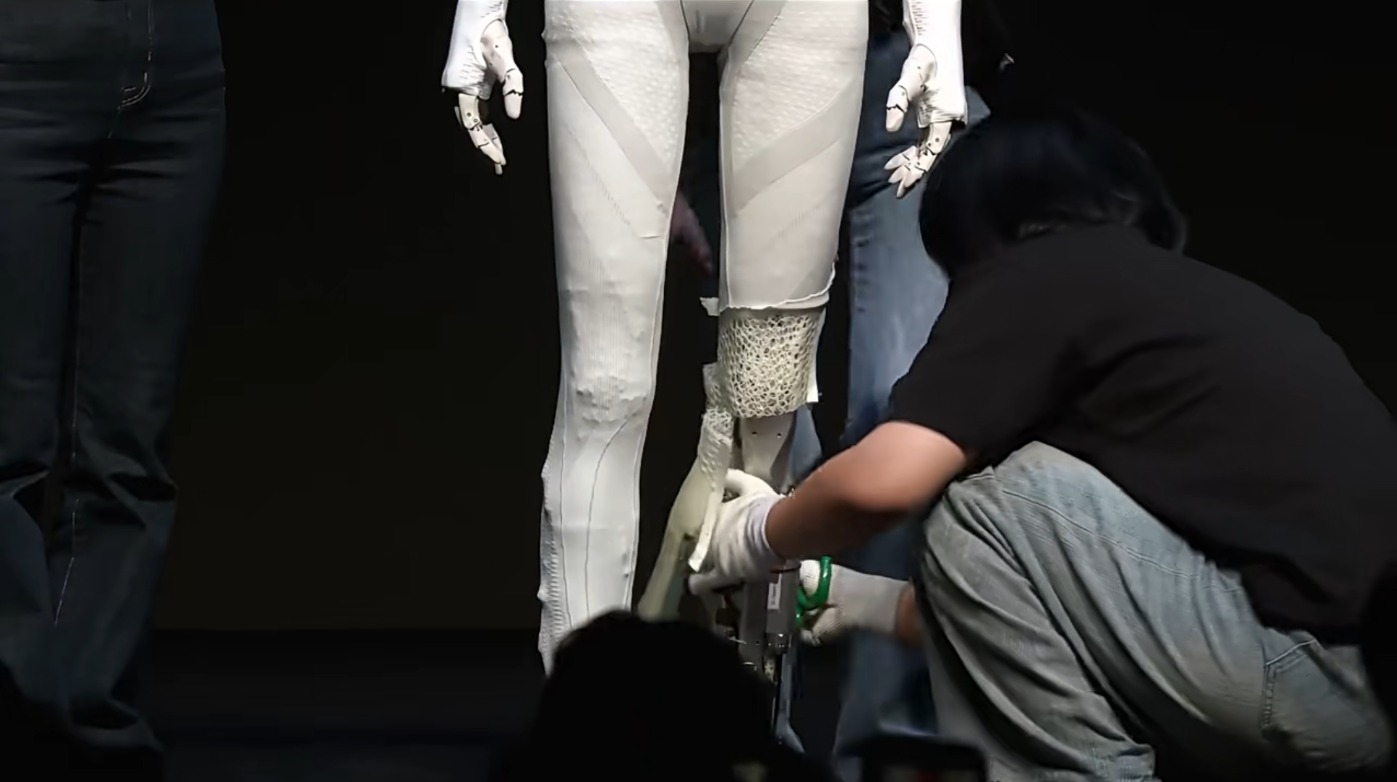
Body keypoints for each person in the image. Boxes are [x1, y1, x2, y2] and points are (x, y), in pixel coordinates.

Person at [689, 106, 1396, 781]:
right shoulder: (1182, 312)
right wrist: (859, 599)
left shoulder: (1048, 271)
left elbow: (885, 484)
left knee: (980, 502)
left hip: (1308, 671)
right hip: (1362, 686)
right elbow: (1064, 618)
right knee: (1005, 511)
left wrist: (759, 533)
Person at [673, 4, 1013, 774]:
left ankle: (887, 747)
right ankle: (757, 736)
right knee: (763, 432)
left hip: (895, 76)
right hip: (743, 88)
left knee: (905, 416)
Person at [0, 0, 226, 774]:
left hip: (178, 63)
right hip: (18, 61)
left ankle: (92, 733)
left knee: (129, 451)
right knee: (8, 446)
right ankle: (25, 720)